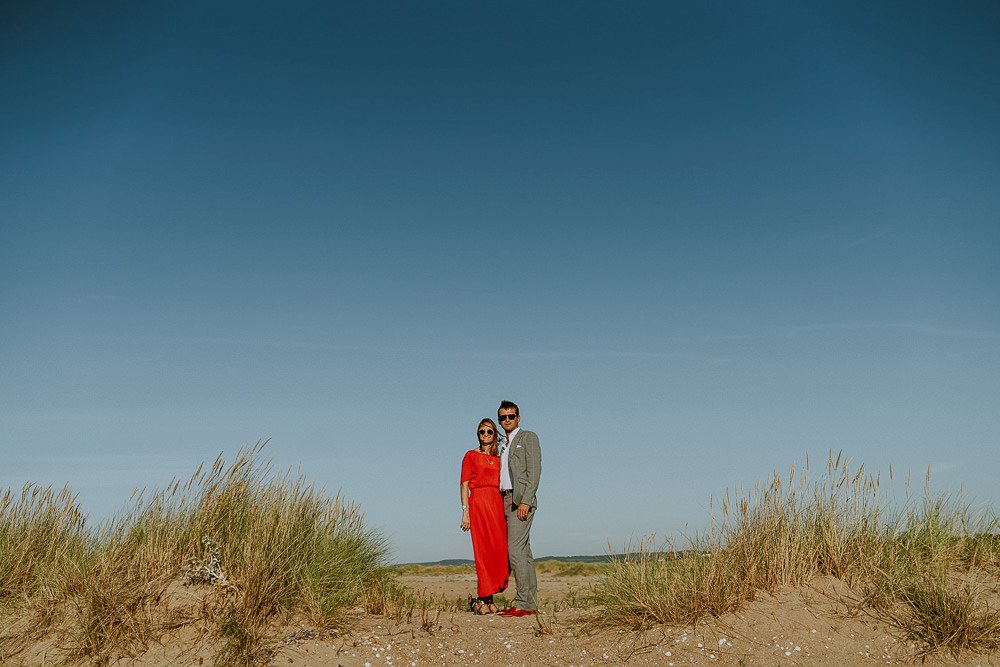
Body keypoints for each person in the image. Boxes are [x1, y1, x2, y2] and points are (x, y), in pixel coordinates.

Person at [496, 400, 541, 617]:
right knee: (524, 551)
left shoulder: (527, 437)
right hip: (505, 499)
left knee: (514, 549)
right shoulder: (503, 445)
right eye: (503, 417)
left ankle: (523, 603)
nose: (507, 420)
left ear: (518, 418)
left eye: (511, 416)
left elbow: (534, 471)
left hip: (520, 499)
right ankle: (530, 604)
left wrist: (526, 500)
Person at [460, 418, 509, 614]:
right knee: (483, 551)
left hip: (496, 503)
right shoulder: (471, 455)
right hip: (479, 503)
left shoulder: (500, 458)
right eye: (482, 432)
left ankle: (490, 597)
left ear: (494, 434)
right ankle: (482, 599)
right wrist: (465, 512)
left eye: (489, 431)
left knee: (498, 550)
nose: (486, 435)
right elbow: (463, 484)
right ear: (478, 434)